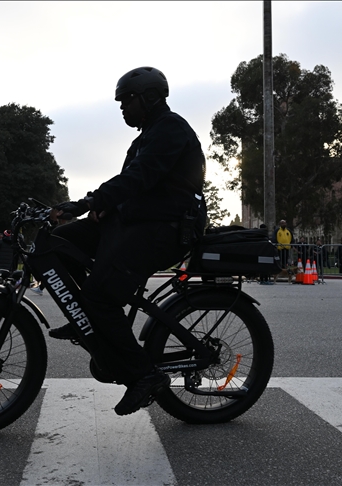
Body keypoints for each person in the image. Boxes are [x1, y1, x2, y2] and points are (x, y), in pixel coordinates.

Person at [46, 67, 207, 416]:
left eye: (126, 101)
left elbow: (141, 177)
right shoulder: (147, 134)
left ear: (149, 98)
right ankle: (85, 316)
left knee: (100, 298)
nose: (121, 108)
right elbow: (128, 183)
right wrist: (101, 206)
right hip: (138, 221)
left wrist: (91, 203)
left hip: (167, 229)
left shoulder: (171, 129)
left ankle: (144, 376)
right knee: (58, 243)